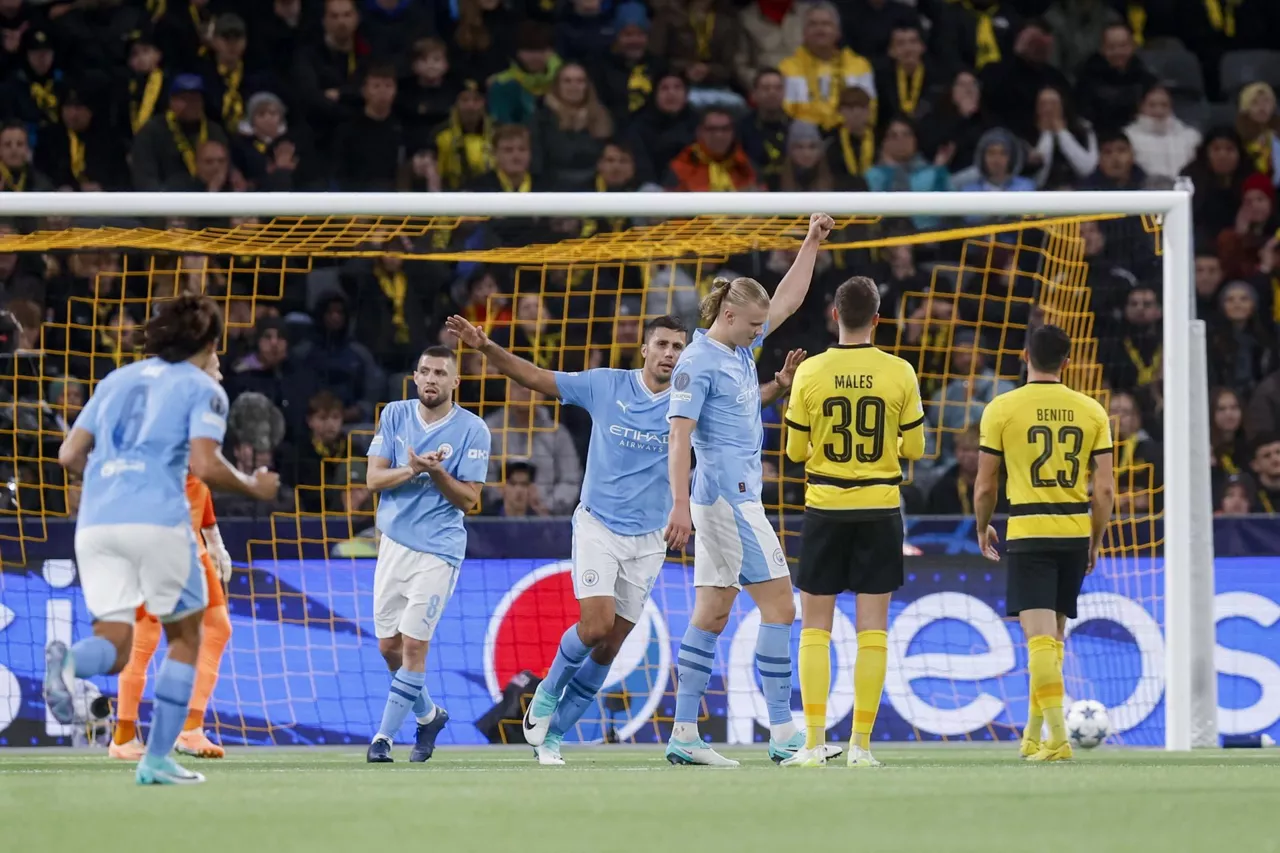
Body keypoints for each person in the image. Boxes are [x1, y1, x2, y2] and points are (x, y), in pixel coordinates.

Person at [45, 294, 279, 785]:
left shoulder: (115, 380)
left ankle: (67, 664)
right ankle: (155, 759)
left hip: (96, 524)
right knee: (188, 636)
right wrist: (255, 486)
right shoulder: (203, 388)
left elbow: (68, 455)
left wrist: (116, 477)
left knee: (117, 643)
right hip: (157, 523)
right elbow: (205, 465)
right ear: (209, 342)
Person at [445, 313, 689, 765]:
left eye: (678, 347)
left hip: (651, 537)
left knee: (611, 645)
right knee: (594, 627)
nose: (670, 354)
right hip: (598, 525)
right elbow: (535, 377)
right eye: (662, 345)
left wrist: (774, 387)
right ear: (645, 349)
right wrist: (486, 348)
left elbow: (735, 417)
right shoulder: (605, 384)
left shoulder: (688, 401)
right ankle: (546, 694)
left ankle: (552, 737)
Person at [663, 212, 834, 766]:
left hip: (728, 498)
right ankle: (785, 735)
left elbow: (786, 300)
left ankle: (684, 735)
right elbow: (679, 436)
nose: (763, 331)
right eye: (754, 326)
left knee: (712, 613)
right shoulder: (696, 362)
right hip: (726, 499)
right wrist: (679, 506)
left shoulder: (737, 353)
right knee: (782, 608)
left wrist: (809, 241)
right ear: (729, 314)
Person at [778, 276, 925, 768]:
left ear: (834, 315)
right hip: (880, 510)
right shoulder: (900, 371)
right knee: (873, 632)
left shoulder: (811, 373)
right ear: (878, 318)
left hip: (825, 509)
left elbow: (796, 452)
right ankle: (861, 746)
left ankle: (815, 742)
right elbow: (916, 449)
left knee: (815, 629)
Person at [973, 324, 1115, 763]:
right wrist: (1094, 541)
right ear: (1068, 362)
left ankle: (1058, 740)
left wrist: (982, 527)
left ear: (1024, 355)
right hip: (1073, 531)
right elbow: (1106, 490)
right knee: (1052, 640)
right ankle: (1033, 737)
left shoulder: (1002, 408)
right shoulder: (1091, 410)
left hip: (1031, 532)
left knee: (1037, 642)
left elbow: (984, 484)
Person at [363, 346, 492, 763]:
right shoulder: (396, 415)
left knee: (415, 644)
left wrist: (438, 473)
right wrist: (416, 469)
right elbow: (373, 479)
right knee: (389, 648)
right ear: (415, 377)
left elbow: (469, 500)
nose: (431, 378)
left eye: (440, 372)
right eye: (424, 371)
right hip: (393, 545)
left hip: (439, 549)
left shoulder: (474, 430)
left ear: (456, 381)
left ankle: (383, 738)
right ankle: (429, 715)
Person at [111, 361, 235, 762]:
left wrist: (212, 539)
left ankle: (191, 730)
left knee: (217, 628)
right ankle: (123, 736)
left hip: (191, 546)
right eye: (214, 366)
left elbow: (197, 479)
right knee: (146, 637)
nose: (220, 373)